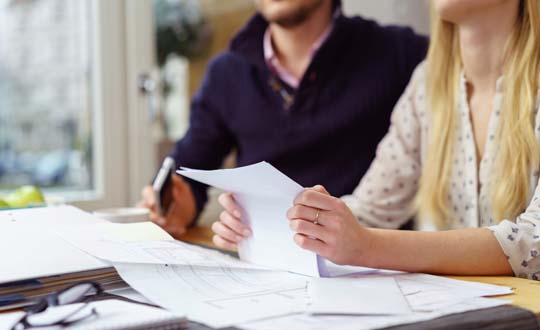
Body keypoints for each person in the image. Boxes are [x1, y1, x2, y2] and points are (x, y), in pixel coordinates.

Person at [213, 0, 540, 280]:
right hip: (461, 323)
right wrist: (271, 223)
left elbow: (534, 244)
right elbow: (370, 210)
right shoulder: (428, 85)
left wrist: (368, 246)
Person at [139, 0, 428, 238]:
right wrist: (179, 206)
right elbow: (190, 168)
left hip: (370, 266)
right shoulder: (227, 73)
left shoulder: (401, 54)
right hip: (261, 264)